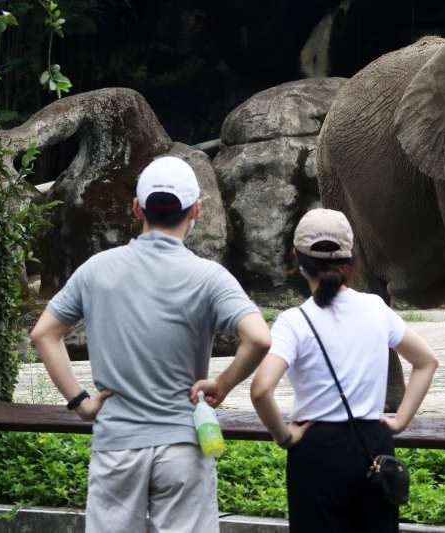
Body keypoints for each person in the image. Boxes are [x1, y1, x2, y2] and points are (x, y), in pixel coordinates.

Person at [30, 156, 271, 533]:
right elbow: (258, 338)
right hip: (182, 446)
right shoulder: (209, 278)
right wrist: (221, 386)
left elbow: (43, 333)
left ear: (137, 208)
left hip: (117, 445)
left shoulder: (98, 269)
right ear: (196, 210)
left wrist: (81, 402)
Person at [250, 208, 439, 533]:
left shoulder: (294, 322)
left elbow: (260, 389)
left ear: (297, 258)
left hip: (316, 449)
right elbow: (426, 362)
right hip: (374, 445)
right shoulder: (376, 309)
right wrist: (400, 420)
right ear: (351, 260)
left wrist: (284, 436)